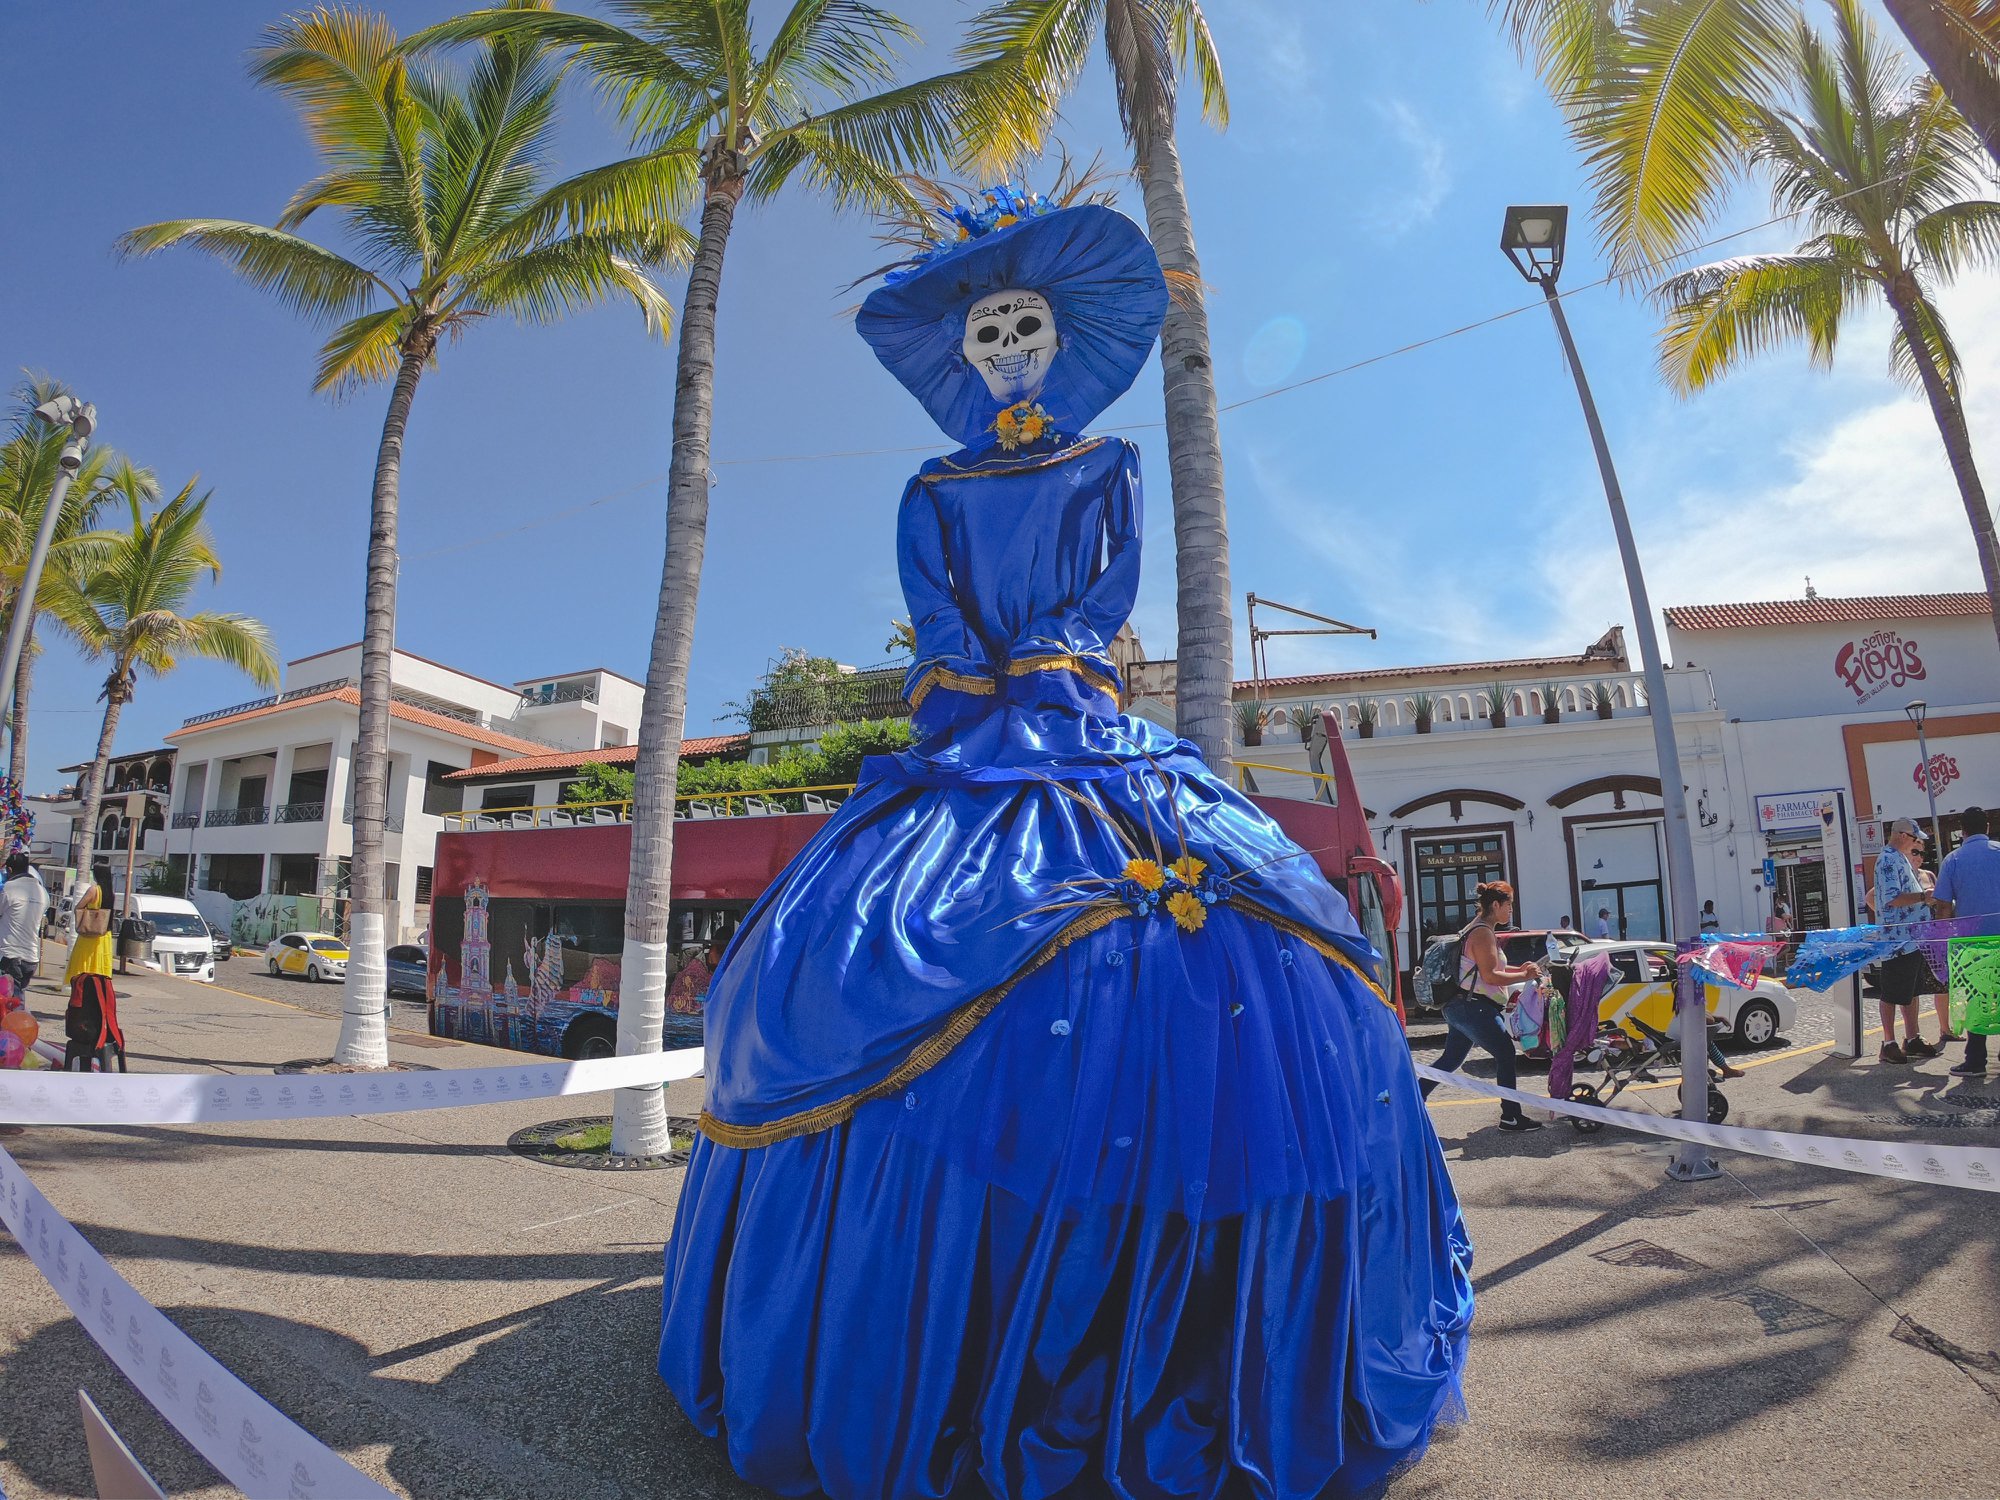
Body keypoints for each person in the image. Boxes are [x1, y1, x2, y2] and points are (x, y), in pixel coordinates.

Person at [656, 194, 1472, 1499]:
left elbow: (1104, 589)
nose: (1012, 342)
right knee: (845, 953)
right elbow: (932, 602)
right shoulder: (933, 489)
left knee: (1241, 937)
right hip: (970, 725)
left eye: (1028, 320)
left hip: (1078, 709)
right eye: (990, 328)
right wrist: (970, 670)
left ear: (1059, 335)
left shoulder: (1110, 468)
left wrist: (1059, 655)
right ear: (966, 355)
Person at [1418, 880, 1545, 1131]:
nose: (1511, 911)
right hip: (1473, 1007)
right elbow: (1490, 977)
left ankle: (1412, 1101)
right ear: (1496, 904)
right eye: (1509, 905)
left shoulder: (1477, 928)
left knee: (1449, 1060)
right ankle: (1510, 1116)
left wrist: (1517, 970)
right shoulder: (1483, 932)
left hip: (1461, 1006)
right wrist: (1525, 976)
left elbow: (1484, 968)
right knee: (1506, 1053)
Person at [1933, 807, 2000, 1076]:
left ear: (1963, 831)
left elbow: (1942, 907)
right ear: (1986, 827)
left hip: (1971, 943)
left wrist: (1943, 940)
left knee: (1975, 997)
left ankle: (1976, 1060)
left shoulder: (1953, 859)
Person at [1873, 818, 1939, 1064]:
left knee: (1911, 991)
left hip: (1910, 939)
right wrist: (1924, 897)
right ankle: (1888, 1042)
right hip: (1897, 940)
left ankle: (1912, 1038)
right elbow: (1891, 898)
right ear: (1901, 835)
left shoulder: (1898, 858)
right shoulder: (1889, 859)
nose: (1916, 842)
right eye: (1914, 838)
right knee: (1891, 993)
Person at [62, 861, 124, 1071]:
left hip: (89, 937)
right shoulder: (110, 892)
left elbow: (79, 906)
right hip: (103, 939)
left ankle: (84, 998)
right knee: (98, 971)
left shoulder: (93, 890)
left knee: (83, 969)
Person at [0, 853, 48, 995]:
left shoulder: (9, 888)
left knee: (10, 1001)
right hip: (31, 959)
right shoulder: (42, 891)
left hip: (11, 956)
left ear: (9, 870)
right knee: (18, 995)